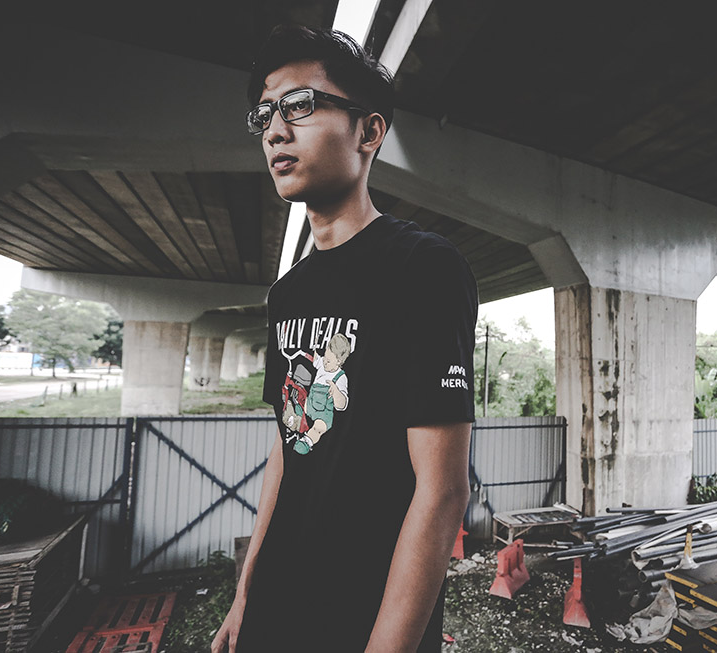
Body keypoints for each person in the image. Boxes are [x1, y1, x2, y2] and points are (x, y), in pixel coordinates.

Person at [211, 24, 478, 653]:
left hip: (364, 614)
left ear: (369, 131)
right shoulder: (287, 294)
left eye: (301, 105)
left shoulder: (422, 266)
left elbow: (442, 491)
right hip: (275, 606)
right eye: (265, 115)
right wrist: (245, 595)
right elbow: (287, 449)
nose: (276, 130)